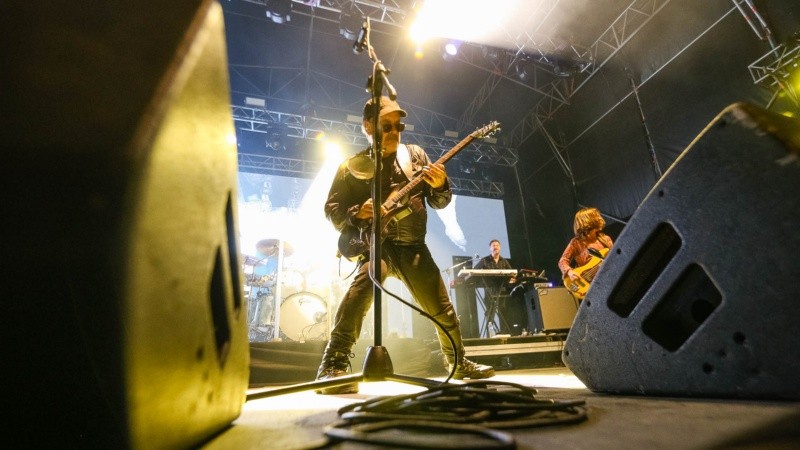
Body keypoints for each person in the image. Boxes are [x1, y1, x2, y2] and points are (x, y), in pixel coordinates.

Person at [315, 96, 494, 394]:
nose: (395, 131)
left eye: (398, 125)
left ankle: (457, 362)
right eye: (387, 126)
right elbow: (332, 210)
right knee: (360, 292)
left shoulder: (414, 156)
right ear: (368, 126)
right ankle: (331, 365)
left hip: (413, 247)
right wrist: (356, 212)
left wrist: (440, 186)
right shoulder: (351, 167)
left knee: (443, 309)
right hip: (378, 248)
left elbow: (440, 202)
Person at [558, 207, 614, 300]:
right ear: (588, 220)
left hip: (606, 281)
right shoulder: (576, 242)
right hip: (588, 285)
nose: (600, 218)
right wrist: (570, 272)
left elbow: (615, 259)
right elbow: (562, 261)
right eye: (596, 216)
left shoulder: (605, 239)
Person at [473, 239, 518, 335]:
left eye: (497, 245)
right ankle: (490, 333)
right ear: (490, 248)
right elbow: (474, 271)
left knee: (502, 310)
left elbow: (512, 273)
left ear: (500, 248)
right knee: (490, 311)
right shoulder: (485, 260)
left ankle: (504, 332)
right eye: (493, 245)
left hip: (501, 289)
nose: (495, 247)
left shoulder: (504, 261)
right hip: (489, 289)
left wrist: (512, 279)